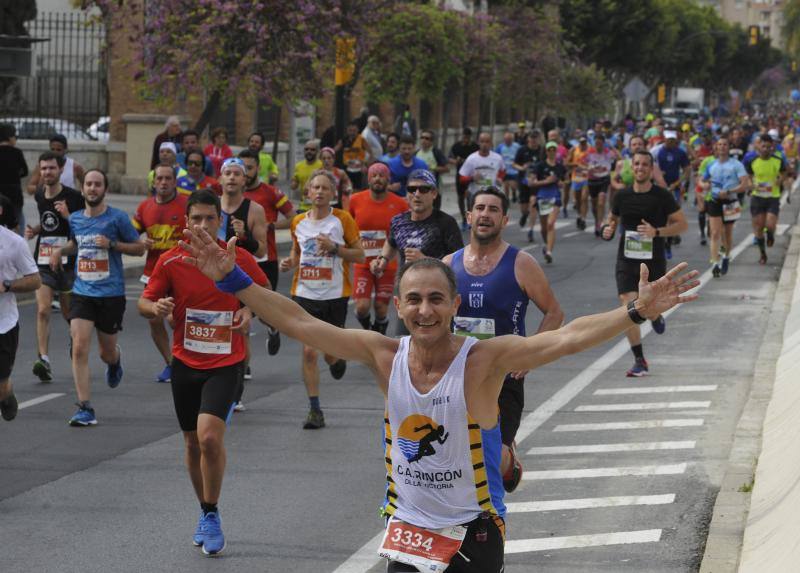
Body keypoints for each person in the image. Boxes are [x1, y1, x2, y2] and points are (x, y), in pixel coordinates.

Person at [179, 219, 699, 573]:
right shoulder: (384, 355)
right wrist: (232, 278)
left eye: (435, 299)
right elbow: (295, 318)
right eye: (413, 300)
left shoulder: (483, 361)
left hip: (472, 533)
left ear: (453, 306)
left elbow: (563, 337)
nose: (424, 310)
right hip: (408, 530)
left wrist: (635, 311)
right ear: (399, 308)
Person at [138, 190, 266, 557]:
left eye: (211, 218)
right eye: (197, 219)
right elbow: (144, 302)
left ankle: (210, 514)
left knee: (210, 437)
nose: (204, 225)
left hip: (226, 362)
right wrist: (155, 306)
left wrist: (248, 312)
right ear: (187, 221)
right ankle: (206, 511)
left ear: (220, 221)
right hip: (185, 363)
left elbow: (263, 291)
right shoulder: (171, 260)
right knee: (192, 443)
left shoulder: (235, 256)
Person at [443, 186, 563, 494]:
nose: (485, 214)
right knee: (456, 452)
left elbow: (553, 313)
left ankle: (508, 463)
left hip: (505, 375)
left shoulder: (520, 263)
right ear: (468, 216)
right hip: (459, 373)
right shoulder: (448, 265)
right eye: (479, 208)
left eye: (493, 209)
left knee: (493, 458)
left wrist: (530, 355)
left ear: (504, 219)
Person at [49, 169, 146, 426]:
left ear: (105, 189)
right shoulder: (77, 218)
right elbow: (76, 243)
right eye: (89, 184)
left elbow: (139, 248)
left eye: (97, 184)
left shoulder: (117, 218)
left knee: (106, 352)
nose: (92, 188)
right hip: (83, 293)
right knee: (79, 346)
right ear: (83, 190)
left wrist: (113, 245)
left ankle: (115, 362)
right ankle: (85, 407)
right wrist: (60, 251)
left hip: (111, 294)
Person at [279, 170, 364, 429]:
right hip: (305, 293)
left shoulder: (342, 219)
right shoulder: (298, 223)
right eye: (314, 187)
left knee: (330, 353)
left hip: (335, 294)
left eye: (324, 188)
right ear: (307, 192)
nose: (319, 192)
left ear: (333, 193)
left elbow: (360, 256)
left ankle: (337, 358)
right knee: (308, 352)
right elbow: (297, 252)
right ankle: (315, 409)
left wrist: (336, 249)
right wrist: (290, 262)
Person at [602, 150, 688, 376]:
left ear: (651, 169)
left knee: (648, 310)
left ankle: (655, 316)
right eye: (636, 164)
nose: (640, 168)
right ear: (632, 168)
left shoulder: (662, 196)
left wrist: (657, 231)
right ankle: (639, 360)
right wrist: (607, 230)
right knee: (627, 306)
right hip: (627, 260)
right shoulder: (621, 196)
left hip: (653, 261)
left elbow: (682, 224)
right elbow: (610, 221)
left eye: (644, 165)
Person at [372, 169, 463, 335]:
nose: (417, 194)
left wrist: (426, 260)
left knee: (438, 347)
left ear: (434, 193)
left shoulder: (445, 223)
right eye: (412, 189)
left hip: (437, 298)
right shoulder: (398, 221)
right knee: (404, 343)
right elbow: (391, 243)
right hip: (409, 296)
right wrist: (382, 260)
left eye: (424, 189)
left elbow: (460, 262)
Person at [25, 152, 84, 382]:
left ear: (60, 170)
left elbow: (81, 228)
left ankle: (75, 339)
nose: (47, 173)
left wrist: (68, 215)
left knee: (69, 313)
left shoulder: (74, 197)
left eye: (51, 168)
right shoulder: (40, 194)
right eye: (43, 169)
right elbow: (49, 221)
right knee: (43, 309)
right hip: (43, 260)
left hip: (68, 262)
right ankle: (44, 358)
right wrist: (35, 231)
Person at [217, 156, 267, 405]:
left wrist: (244, 237)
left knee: (241, 332)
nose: (232, 177)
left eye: (237, 173)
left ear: (244, 180)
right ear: (220, 178)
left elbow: (262, 251)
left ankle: (235, 389)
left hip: (242, 278)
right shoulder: (211, 207)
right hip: (214, 277)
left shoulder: (254, 210)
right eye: (228, 173)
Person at [132, 164, 189, 382]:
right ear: (154, 182)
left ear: (175, 181)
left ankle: (186, 359)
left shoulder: (186, 204)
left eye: (168, 178)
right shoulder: (145, 207)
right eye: (159, 179)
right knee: (154, 319)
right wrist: (138, 241)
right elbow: (131, 234)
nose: (163, 182)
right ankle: (171, 363)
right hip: (153, 271)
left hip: (181, 270)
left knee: (175, 319)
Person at [240, 149, 295, 355]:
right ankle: (243, 364)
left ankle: (272, 326)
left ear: (257, 168)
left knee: (264, 309)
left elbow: (292, 217)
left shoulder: (270, 192)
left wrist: (271, 225)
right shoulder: (234, 193)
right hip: (241, 258)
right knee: (239, 310)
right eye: (242, 167)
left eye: (249, 168)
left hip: (266, 257)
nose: (245, 172)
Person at [349, 162, 409, 334]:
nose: (377, 179)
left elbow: (406, 230)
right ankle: (369, 331)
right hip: (363, 262)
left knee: (381, 308)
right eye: (374, 175)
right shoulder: (355, 200)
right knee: (362, 306)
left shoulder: (399, 204)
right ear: (368, 179)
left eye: (381, 175)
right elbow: (347, 227)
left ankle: (379, 332)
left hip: (387, 264)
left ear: (388, 179)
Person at [0, 195, 41, 422]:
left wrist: (7, 285)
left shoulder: (14, 243)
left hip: (3, 325)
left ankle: (6, 394)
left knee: (1, 386)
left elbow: (35, 281)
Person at [701, 137, 750, 278]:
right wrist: (704, 185)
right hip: (714, 200)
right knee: (715, 232)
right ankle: (715, 263)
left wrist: (729, 191)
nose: (722, 147)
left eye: (725, 145)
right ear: (716, 147)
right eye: (719, 145)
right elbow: (702, 179)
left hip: (730, 201)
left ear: (728, 147)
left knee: (727, 233)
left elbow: (744, 185)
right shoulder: (711, 164)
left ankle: (726, 256)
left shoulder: (736, 165)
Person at [745, 133, 786, 265]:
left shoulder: (777, 160)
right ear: (759, 147)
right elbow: (748, 176)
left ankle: (771, 234)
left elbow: (784, 173)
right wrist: (751, 185)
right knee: (758, 227)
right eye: (763, 146)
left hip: (772, 197)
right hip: (758, 197)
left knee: (770, 224)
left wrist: (780, 180)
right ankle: (763, 254)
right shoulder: (753, 161)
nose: (766, 149)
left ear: (772, 148)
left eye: (768, 147)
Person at [529, 142, 567, 260]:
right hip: (542, 196)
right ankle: (547, 245)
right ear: (546, 152)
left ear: (556, 152)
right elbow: (531, 183)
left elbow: (566, 181)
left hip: (555, 196)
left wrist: (562, 183)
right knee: (544, 228)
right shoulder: (540, 166)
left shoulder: (560, 167)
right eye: (549, 150)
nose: (551, 152)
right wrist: (546, 181)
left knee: (551, 224)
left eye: (553, 150)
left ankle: (549, 252)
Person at [586, 133, 618, 236]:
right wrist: (588, 168)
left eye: (600, 143)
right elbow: (581, 164)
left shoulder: (608, 152)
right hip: (592, 180)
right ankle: (597, 221)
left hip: (604, 179)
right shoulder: (589, 152)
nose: (598, 145)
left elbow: (619, 157)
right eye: (596, 143)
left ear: (603, 143)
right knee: (594, 204)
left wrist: (612, 147)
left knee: (601, 201)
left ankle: (599, 225)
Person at [0, 123, 29, 235]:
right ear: (9, 137)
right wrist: (15, 175)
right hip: (14, 192)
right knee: (18, 217)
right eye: (15, 137)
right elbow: (24, 171)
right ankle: (19, 240)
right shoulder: (17, 152)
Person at [459, 132, 506, 201]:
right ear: (478, 143)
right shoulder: (471, 158)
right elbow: (461, 178)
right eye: (482, 141)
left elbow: (503, 170)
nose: (484, 144)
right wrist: (472, 178)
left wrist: (500, 178)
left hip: (492, 193)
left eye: (487, 142)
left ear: (491, 143)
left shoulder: (498, 158)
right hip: (475, 194)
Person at [449, 128, 480, 229]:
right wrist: (455, 161)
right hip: (460, 174)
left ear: (470, 137)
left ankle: (470, 218)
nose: (465, 139)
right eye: (463, 137)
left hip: (472, 175)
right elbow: (449, 158)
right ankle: (463, 218)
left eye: (467, 137)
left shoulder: (475, 147)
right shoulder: (456, 146)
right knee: (460, 197)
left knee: (470, 197)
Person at [512, 132, 543, 229]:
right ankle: (525, 215)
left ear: (538, 139)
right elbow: (514, 164)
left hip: (536, 181)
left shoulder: (542, 151)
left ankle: (531, 229)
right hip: (523, 180)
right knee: (524, 206)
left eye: (535, 138)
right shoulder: (522, 150)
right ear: (528, 139)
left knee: (533, 202)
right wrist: (521, 168)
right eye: (532, 138)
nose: (533, 140)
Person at [291, 140, 323, 212]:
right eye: (306, 149)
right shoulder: (298, 166)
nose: (309, 151)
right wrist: (294, 182)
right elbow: (293, 187)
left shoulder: (321, 165)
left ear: (317, 152)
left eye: (312, 150)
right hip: (303, 206)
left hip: (318, 207)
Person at [566, 135, 590, 231]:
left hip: (586, 177)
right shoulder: (573, 150)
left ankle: (583, 219)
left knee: (584, 198)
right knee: (578, 200)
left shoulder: (590, 150)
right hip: (576, 178)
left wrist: (589, 166)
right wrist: (575, 164)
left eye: (584, 142)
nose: (583, 144)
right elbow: (567, 162)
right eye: (581, 142)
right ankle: (579, 216)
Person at [336, 120, 368, 190]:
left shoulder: (362, 139)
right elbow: (334, 150)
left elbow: (370, 153)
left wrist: (365, 164)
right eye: (350, 130)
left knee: (358, 189)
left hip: (359, 169)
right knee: (347, 188)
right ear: (347, 130)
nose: (352, 133)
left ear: (358, 130)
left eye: (354, 130)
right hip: (347, 168)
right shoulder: (344, 140)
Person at [496, 131, 521, 203]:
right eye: (506, 139)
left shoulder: (517, 146)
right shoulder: (500, 147)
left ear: (512, 139)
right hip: (504, 170)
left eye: (509, 139)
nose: (508, 141)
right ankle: (506, 200)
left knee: (513, 186)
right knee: (506, 186)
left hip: (514, 170)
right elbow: (496, 156)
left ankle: (514, 193)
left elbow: (521, 155)